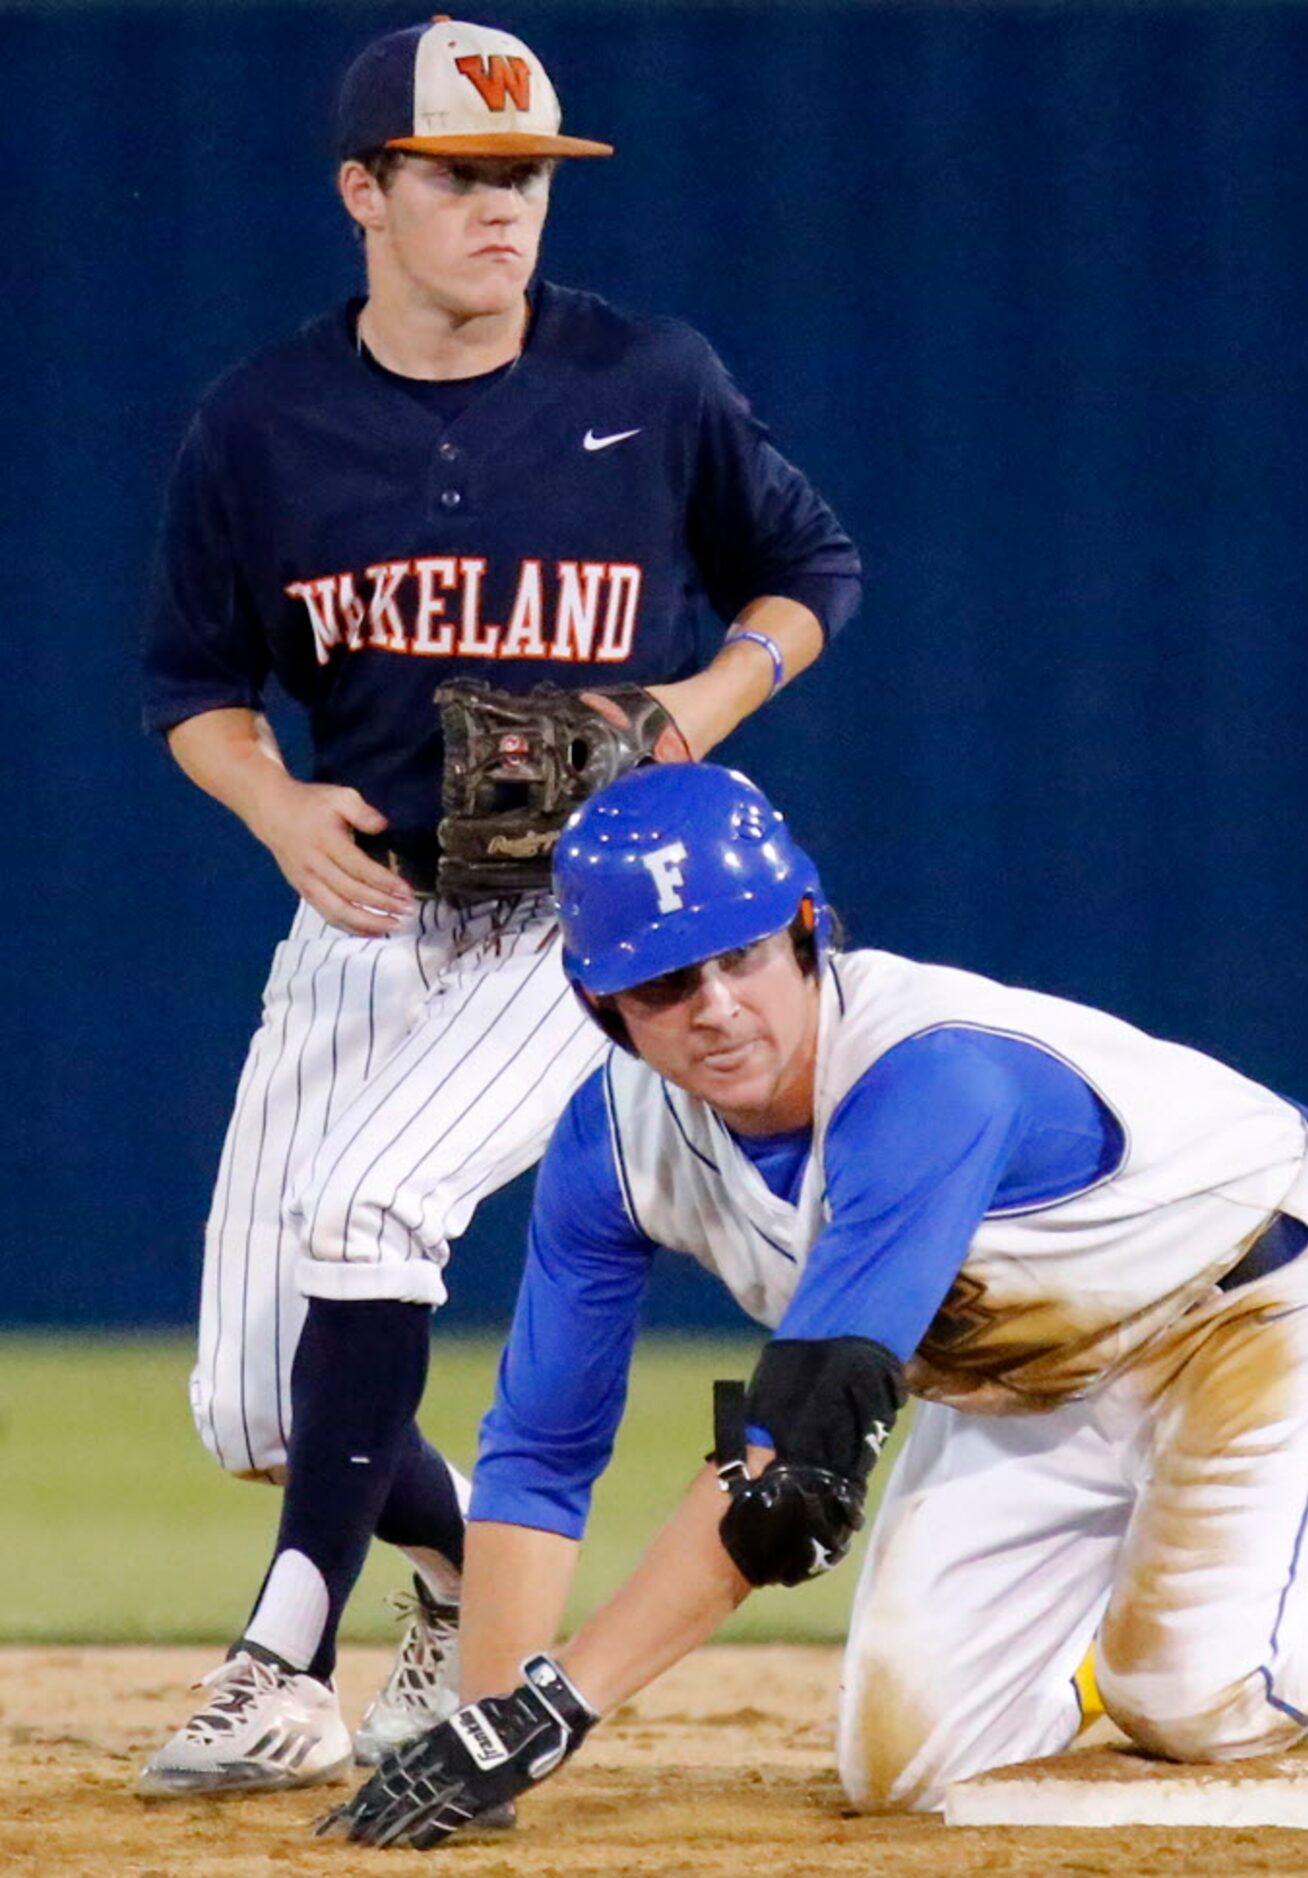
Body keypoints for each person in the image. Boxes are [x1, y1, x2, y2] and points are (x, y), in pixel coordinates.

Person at [317, 763, 1308, 1849]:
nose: (718, 1005)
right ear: (601, 1006)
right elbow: (541, 1448)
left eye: (741, 955)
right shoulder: (613, 1144)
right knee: (910, 1769)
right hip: (1025, 1363)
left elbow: (786, 1467)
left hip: (1261, 1291)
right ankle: (1109, 1646)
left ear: (803, 934)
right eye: (665, 983)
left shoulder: (919, 1078)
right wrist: (487, 1729)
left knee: (1198, 1696)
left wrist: (558, 1704)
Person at [136, 18, 860, 1798]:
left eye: (526, 178)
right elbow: (191, 685)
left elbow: (810, 566)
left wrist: (692, 708)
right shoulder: (262, 422)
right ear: (364, 191)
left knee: (376, 1210)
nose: (503, 210)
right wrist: (274, 799)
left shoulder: (651, 378)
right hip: (367, 924)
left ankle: (279, 1657)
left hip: (575, 931)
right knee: (253, 1401)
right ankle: (459, 1578)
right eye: (462, 176)